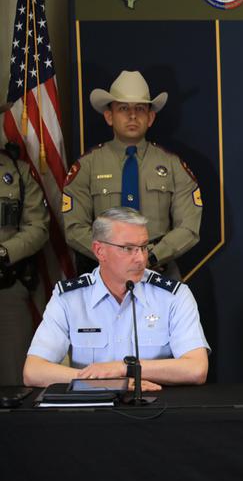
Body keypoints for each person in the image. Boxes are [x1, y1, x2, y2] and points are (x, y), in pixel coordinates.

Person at [23, 207, 209, 389]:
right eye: (128, 248)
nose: (140, 259)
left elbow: (196, 369)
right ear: (99, 251)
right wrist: (108, 383)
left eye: (143, 247)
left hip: (154, 408)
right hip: (92, 410)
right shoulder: (70, 298)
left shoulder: (174, 296)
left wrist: (125, 368)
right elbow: (33, 371)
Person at [63, 70, 202, 279]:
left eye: (140, 108)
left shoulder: (173, 165)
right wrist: (114, 256)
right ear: (109, 116)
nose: (132, 115)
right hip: (104, 277)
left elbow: (189, 227)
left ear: (151, 117)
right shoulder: (87, 167)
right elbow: (74, 228)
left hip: (160, 273)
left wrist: (150, 257)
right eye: (123, 108)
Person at [0, 102, 49, 385]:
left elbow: (39, 227)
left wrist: (5, 251)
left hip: (6, 289)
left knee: (13, 383)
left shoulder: (17, 172)